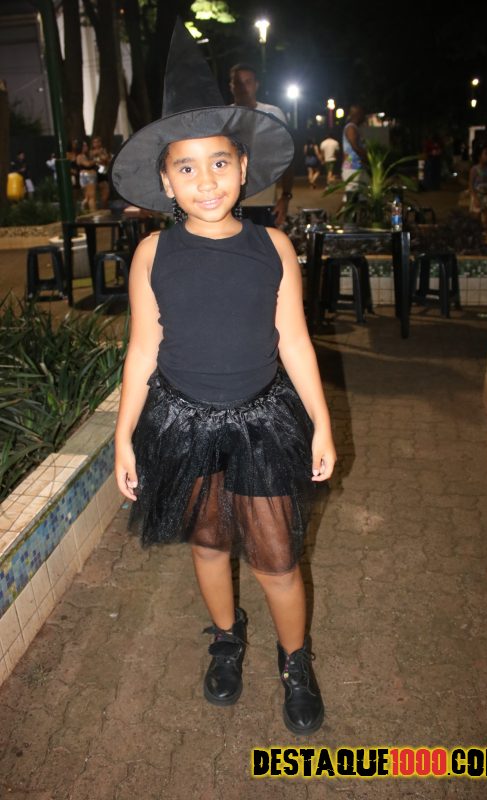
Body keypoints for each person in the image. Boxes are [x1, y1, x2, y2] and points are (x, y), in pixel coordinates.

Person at [112, 19, 336, 735]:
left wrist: (321, 423)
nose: (204, 181)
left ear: (242, 167)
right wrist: (123, 437)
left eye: (217, 163)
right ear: (165, 181)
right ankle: (227, 638)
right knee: (208, 544)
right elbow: (142, 350)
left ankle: (295, 661)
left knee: (276, 558)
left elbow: (294, 341)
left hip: (262, 420)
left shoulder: (273, 246)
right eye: (185, 168)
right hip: (181, 422)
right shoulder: (153, 254)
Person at [229, 63, 294, 225]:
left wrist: (285, 196)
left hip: (264, 203)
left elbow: (287, 158)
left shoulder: (273, 114)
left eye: (248, 82)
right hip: (229, 204)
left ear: (256, 85)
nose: (243, 87)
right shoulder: (224, 117)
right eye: (238, 82)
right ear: (231, 86)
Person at [342, 105, 368, 198]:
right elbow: (355, 147)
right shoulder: (351, 128)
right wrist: (367, 158)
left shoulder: (353, 127)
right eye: (363, 114)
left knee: (358, 199)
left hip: (355, 167)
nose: (364, 117)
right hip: (352, 168)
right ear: (358, 115)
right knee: (352, 198)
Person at [90, 135, 111, 208]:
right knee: (104, 190)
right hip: (97, 172)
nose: (96, 144)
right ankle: (102, 207)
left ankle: (104, 206)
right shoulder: (92, 152)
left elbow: (106, 159)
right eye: (94, 142)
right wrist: (101, 155)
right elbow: (99, 159)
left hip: (104, 171)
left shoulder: (104, 150)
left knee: (106, 191)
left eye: (97, 142)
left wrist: (104, 157)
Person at [76, 140, 97, 211]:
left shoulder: (86, 156)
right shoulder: (80, 156)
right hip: (88, 177)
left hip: (89, 176)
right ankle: (93, 212)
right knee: (92, 196)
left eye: (86, 146)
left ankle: (85, 209)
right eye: (84, 146)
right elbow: (87, 164)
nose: (86, 147)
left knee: (88, 197)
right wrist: (95, 160)